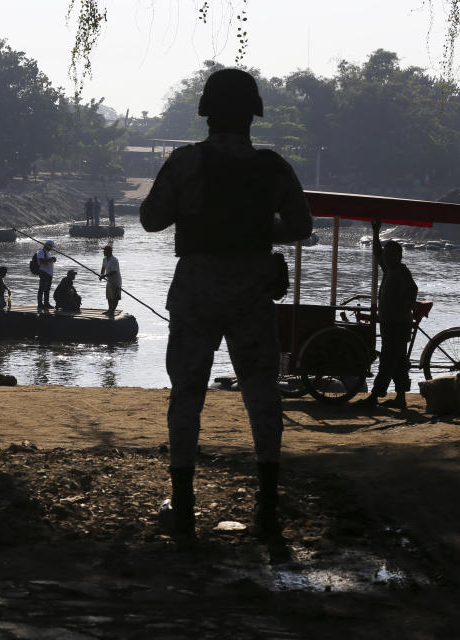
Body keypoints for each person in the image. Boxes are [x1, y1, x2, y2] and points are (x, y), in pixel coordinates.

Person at [139, 68, 312, 542]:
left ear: (206, 114)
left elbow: (151, 220)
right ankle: (268, 507)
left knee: (187, 394)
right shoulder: (274, 167)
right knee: (262, 394)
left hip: (196, 288)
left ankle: (184, 505)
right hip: (253, 289)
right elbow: (300, 226)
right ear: (252, 116)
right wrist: (257, 233)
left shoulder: (185, 162)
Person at [350, 219, 417, 410]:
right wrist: (376, 231)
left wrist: (405, 308)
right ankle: (401, 398)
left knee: (388, 361)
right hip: (392, 324)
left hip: (397, 325)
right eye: (386, 254)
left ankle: (374, 397)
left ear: (399, 256)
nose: (386, 257)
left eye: (391, 254)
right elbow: (377, 252)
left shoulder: (401, 272)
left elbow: (413, 290)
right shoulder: (389, 269)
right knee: (398, 362)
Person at [99, 244, 121, 316]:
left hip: (116, 281)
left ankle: (112, 311)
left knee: (115, 298)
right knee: (109, 297)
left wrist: (104, 275)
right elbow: (103, 268)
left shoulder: (114, 260)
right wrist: (101, 274)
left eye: (104, 251)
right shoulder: (104, 259)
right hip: (109, 281)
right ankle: (109, 310)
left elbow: (114, 272)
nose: (103, 252)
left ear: (109, 252)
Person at [36, 240, 57, 310]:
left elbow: (48, 261)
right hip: (44, 273)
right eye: (51, 247)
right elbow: (42, 262)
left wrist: (52, 260)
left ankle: (46, 303)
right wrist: (51, 259)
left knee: (47, 289)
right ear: (47, 245)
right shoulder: (41, 252)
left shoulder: (48, 253)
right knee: (42, 289)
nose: (51, 248)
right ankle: (40, 304)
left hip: (49, 274)